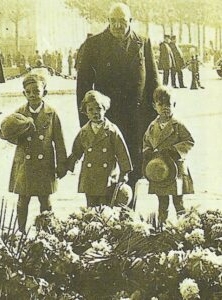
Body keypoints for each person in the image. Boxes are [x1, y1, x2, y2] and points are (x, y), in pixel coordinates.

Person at [76, 3, 159, 196]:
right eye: (113, 21)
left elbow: (154, 83)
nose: (117, 26)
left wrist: (154, 123)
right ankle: (107, 216)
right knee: (105, 170)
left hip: (137, 120)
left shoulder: (143, 43)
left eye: (121, 21)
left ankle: (130, 216)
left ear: (130, 21)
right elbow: (83, 88)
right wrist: (86, 125)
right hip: (105, 120)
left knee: (135, 169)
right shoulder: (94, 44)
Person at [0, 71, 67, 232]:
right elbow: (5, 133)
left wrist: (62, 164)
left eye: (36, 91)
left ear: (45, 92)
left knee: (45, 199)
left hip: (45, 164)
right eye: (28, 92)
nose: (32, 95)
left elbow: (59, 141)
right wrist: (17, 132)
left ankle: (47, 231)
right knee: (23, 198)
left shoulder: (51, 113)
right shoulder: (19, 113)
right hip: (24, 164)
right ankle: (21, 230)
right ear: (24, 93)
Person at [67, 90, 132, 207]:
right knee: (90, 205)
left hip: (106, 175)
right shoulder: (84, 131)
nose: (95, 113)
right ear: (85, 112)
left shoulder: (112, 130)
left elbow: (122, 152)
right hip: (89, 175)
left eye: (98, 109)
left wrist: (125, 172)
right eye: (90, 110)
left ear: (105, 109)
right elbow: (76, 150)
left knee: (104, 206)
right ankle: (92, 224)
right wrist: (68, 164)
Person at [143, 86, 194, 225]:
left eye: (169, 104)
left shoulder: (178, 125)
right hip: (159, 170)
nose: (165, 108)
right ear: (154, 106)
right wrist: (147, 152)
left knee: (178, 201)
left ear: (174, 105)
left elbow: (189, 141)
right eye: (161, 104)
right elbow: (146, 142)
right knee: (162, 202)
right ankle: (162, 227)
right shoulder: (152, 126)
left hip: (176, 168)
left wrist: (174, 149)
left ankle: (184, 227)